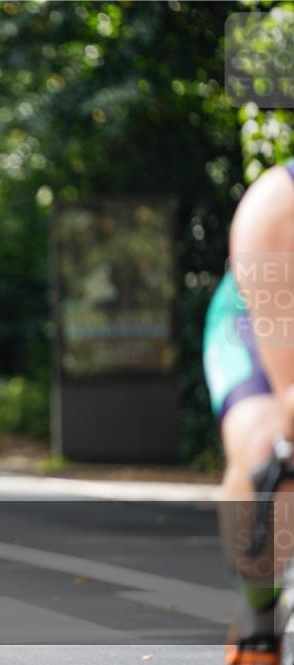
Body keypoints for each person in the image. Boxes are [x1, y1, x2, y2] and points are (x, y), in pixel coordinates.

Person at [204, 159, 294, 665]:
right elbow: (290, 397)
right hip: (260, 325)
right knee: (269, 444)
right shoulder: (278, 205)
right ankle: (260, 624)